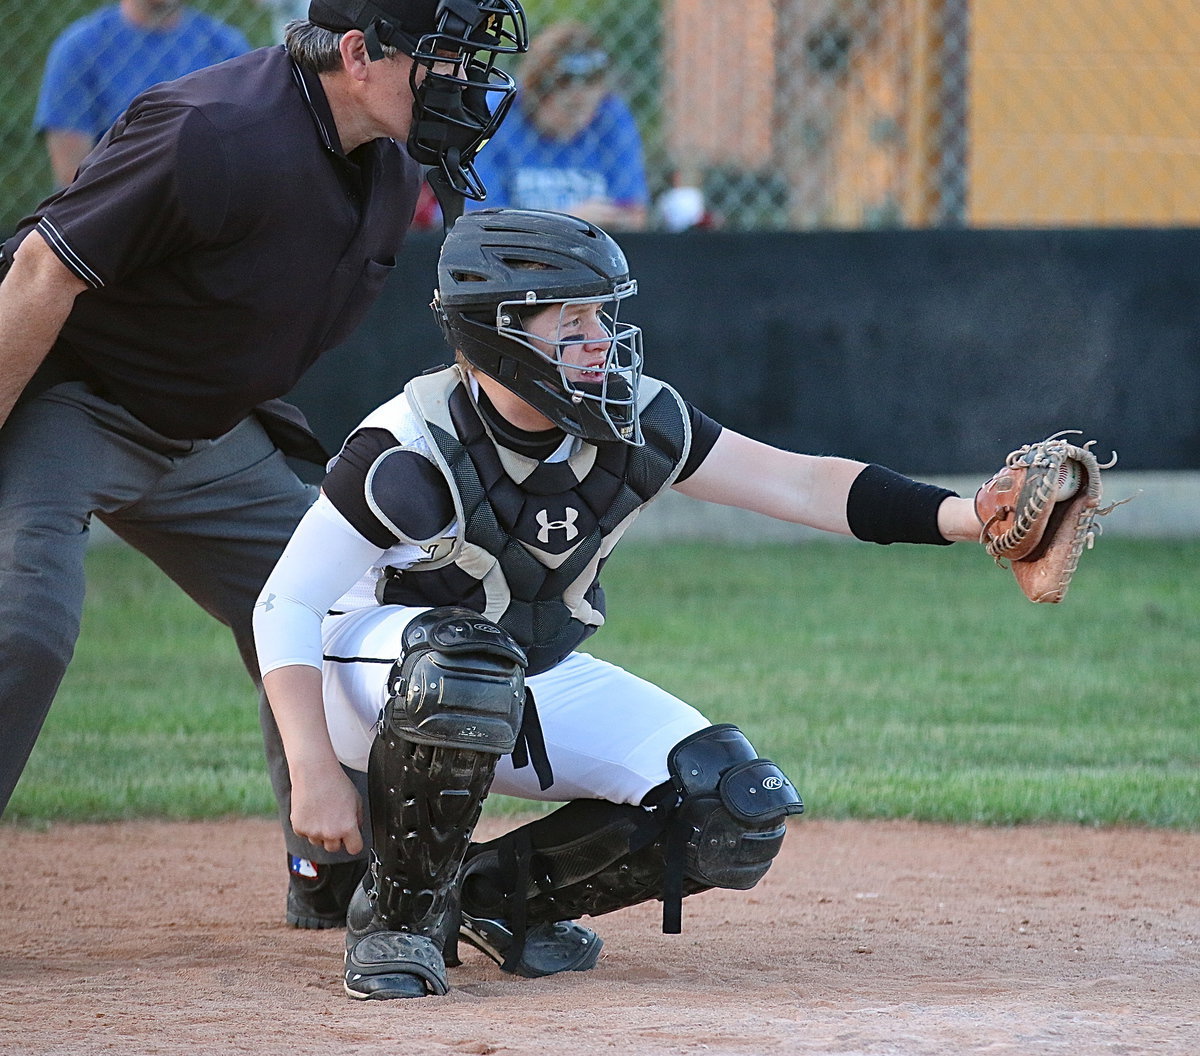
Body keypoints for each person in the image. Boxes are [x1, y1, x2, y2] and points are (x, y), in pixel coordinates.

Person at [252, 207, 989, 1000]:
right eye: (572, 322)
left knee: (730, 807)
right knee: (465, 663)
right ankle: (396, 921)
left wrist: (966, 518)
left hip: (521, 668)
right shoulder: (407, 447)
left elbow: (804, 483)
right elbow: (284, 605)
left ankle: (493, 897)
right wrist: (313, 770)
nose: (601, 340)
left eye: (603, 316)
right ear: (500, 334)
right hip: (375, 690)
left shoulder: (636, 419)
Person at [0, 0, 528, 932]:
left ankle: (336, 866)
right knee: (24, 622)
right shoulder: (211, 131)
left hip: (205, 429)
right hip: (67, 395)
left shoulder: (389, 159)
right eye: (441, 61)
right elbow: (43, 270)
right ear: (360, 54)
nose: (464, 85)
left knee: (340, 609)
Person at [34, 0, 252, 188]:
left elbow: (247, 154)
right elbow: (71, 177)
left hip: (210, 210)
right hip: (111, 213)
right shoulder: (79, 49)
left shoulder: (225, 46)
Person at [464, 21, 648, 230]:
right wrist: (569, 221)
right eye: (569, 104)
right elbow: (475, 221)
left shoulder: (610, 115)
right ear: (536, 90)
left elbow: (633, 215)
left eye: (591, 84)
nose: (580, 95)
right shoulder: (498, 114)